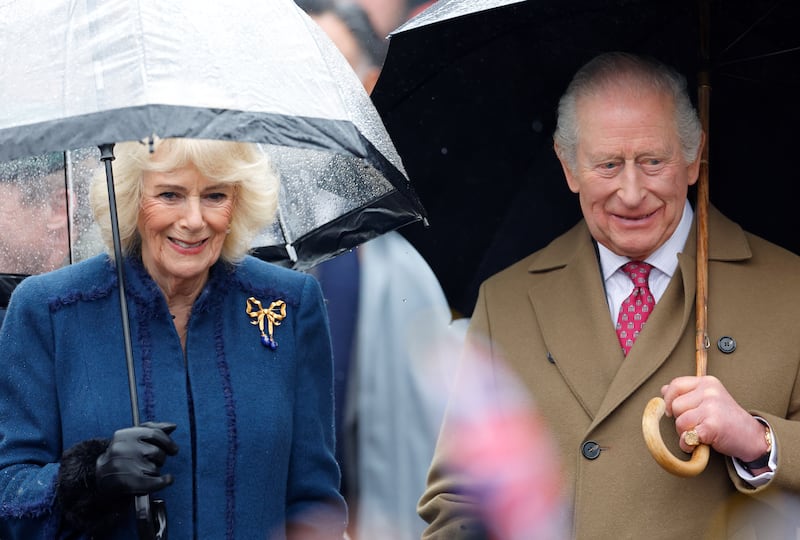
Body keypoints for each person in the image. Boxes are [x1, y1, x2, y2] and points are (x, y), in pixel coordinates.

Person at [418, 52, 800, 538]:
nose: (632, 191)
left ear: (693, 157)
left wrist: (758, 440)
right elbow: (458, 499)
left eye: (652, 161)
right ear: (568, 166)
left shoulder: (789, 290)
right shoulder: (508, 301)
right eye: (608, 165)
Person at [0, 138, 347, 539]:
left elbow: (315, 499)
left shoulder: (288, 304)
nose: (194, 219)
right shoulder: (49, 309)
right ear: (131, 199)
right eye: (170, 195)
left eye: (215, 195)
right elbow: (8, 493)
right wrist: (90, 478)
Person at [302, 3, 462, 539]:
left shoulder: (402, 266)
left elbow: (420, 454)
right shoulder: (219, 233)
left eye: (329, 69)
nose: (307, 91)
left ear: (368, 89)